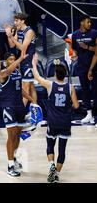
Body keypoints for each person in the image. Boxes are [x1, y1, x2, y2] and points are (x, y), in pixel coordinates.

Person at [32, 54, 79, 183]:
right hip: (65, 122)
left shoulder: (50, 85)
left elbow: (36, 77)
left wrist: (34, 63)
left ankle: (51, 166)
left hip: (52, 122)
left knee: (50, 146)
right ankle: (56, 174)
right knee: (62, 150)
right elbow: (76, 105)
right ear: (65, 75)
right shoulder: (71, 88)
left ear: (55, 74)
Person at [0, 52, 33, 177]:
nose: (13, 61)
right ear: (6, 61)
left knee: (18, 135)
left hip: (19, 106)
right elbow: (8, 71)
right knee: (11, 135)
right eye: (10, 59)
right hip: (9, 107)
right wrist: (20, 59)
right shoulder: (3, 73)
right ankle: (9, 165)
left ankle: (13, 158)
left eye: (14, 59)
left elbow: (20, 89)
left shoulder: (18, 73)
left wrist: (30, 98)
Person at [6, 13, 38, 107]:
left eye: (17, 21)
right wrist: (9, 35)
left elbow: (23, 48)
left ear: (22, 21)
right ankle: (35, 107)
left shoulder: (29, 31)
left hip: (29, 61)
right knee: (31, 87)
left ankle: (22, 111)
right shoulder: (18, 30)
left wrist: (12, 37)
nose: (15, 23)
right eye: (14, 21)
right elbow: (12, 45)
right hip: (23, 61)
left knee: (25, 88)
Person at [72, 15, 97, 124]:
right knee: (85, 91)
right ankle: (89, 115)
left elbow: (96, 50)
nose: (90, 24)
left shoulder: (94, 33)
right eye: (88, 22)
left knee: (96, 90)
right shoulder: (75, 35)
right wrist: (74, 55)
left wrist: (87, 47)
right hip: (81, 66)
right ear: (82, 22)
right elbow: (74, 49)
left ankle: (96, 114)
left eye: (90, 22)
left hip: (94, 66)